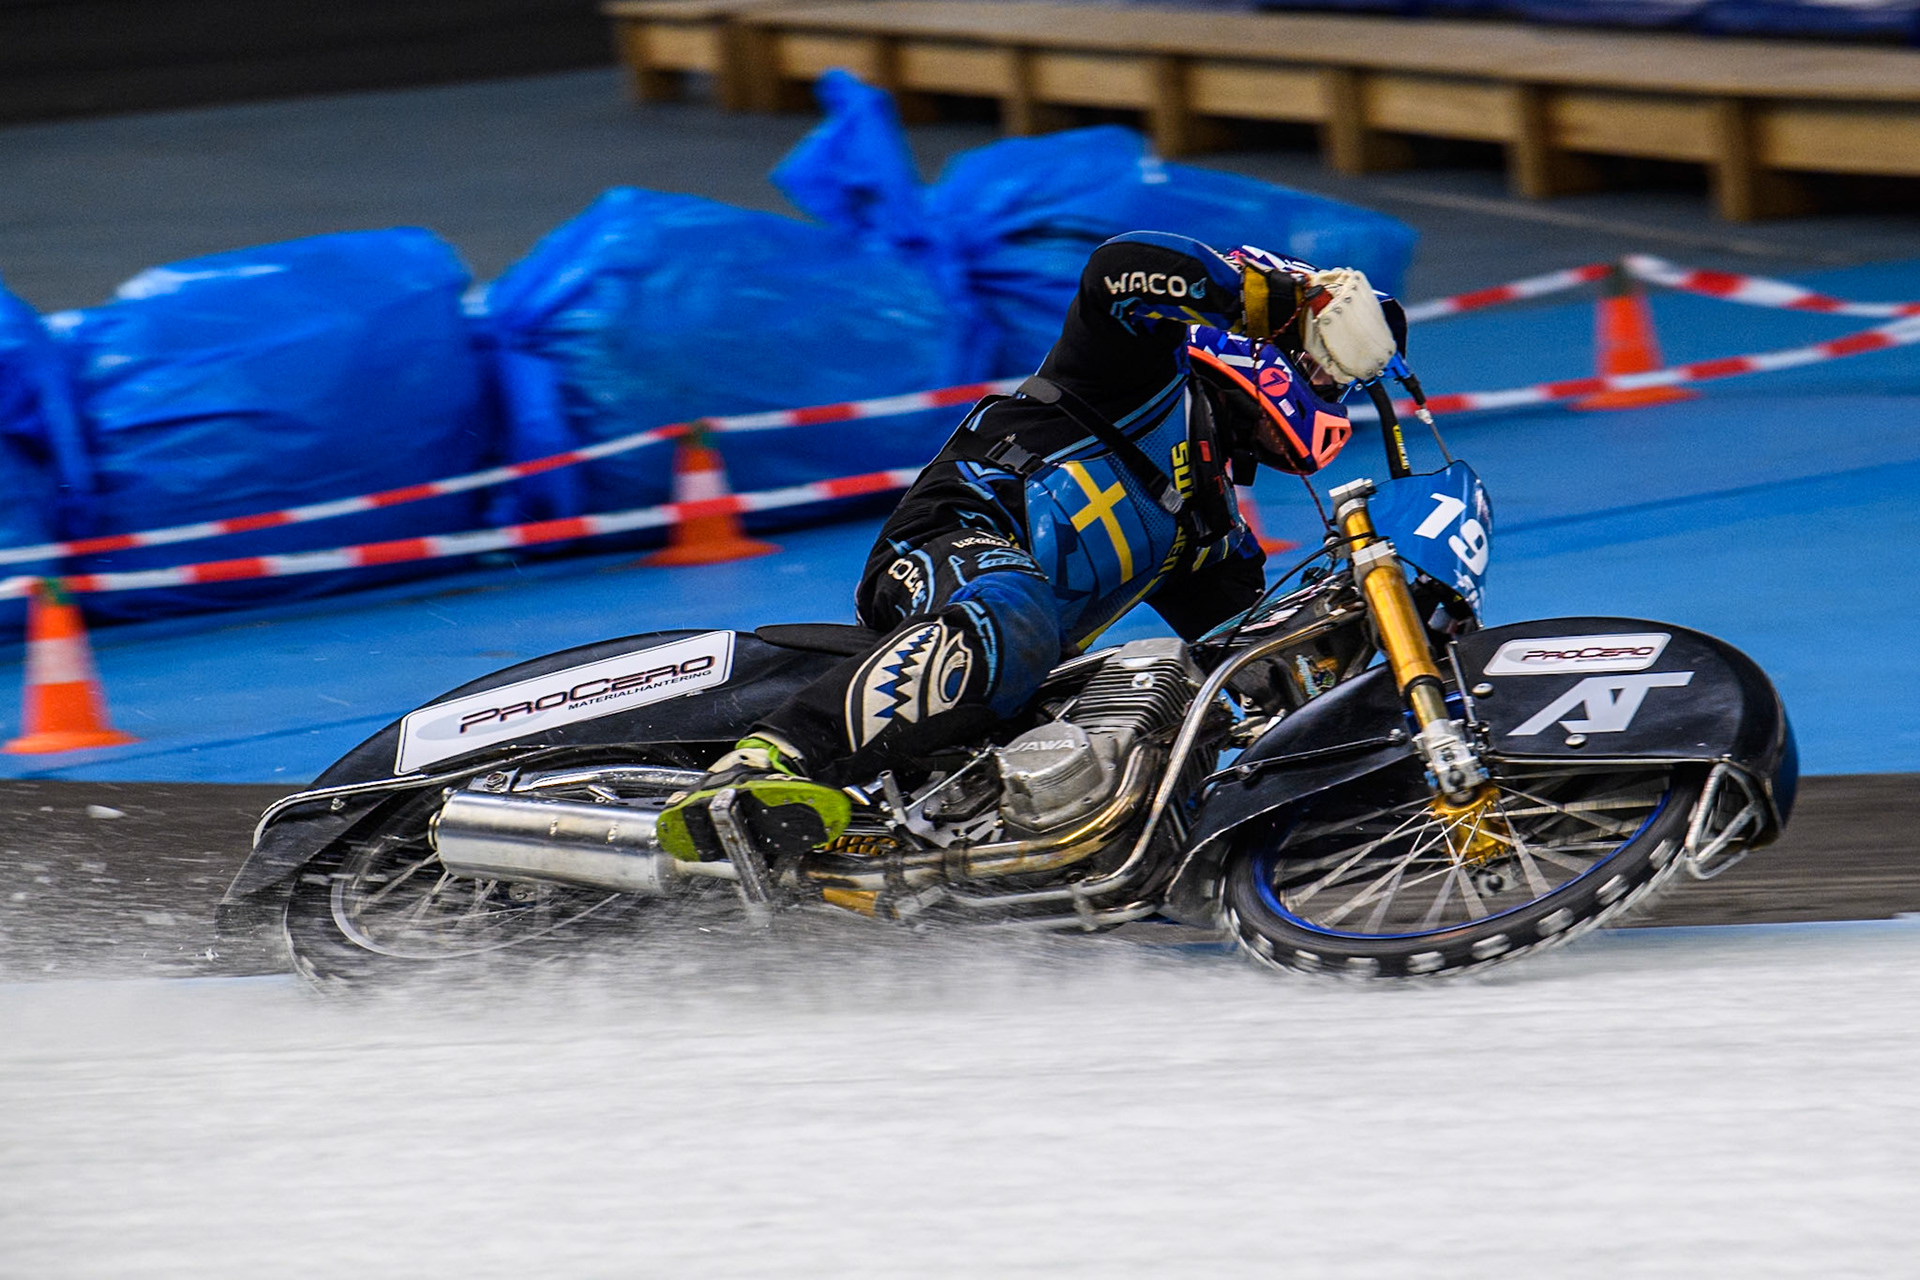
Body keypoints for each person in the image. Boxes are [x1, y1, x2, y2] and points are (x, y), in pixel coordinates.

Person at [656, 230, 1405, 861]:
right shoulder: (1134, 368)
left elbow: (1243, 659)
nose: (1323, 399)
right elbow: (1116, 272)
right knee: (1013, 606)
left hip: (1018, 664)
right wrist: (1236, 290)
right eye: (1318, 371)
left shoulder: (1214, 533)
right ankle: (760, 762)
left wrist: (1363, 634)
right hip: (945, 550)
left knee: (1177, 704)